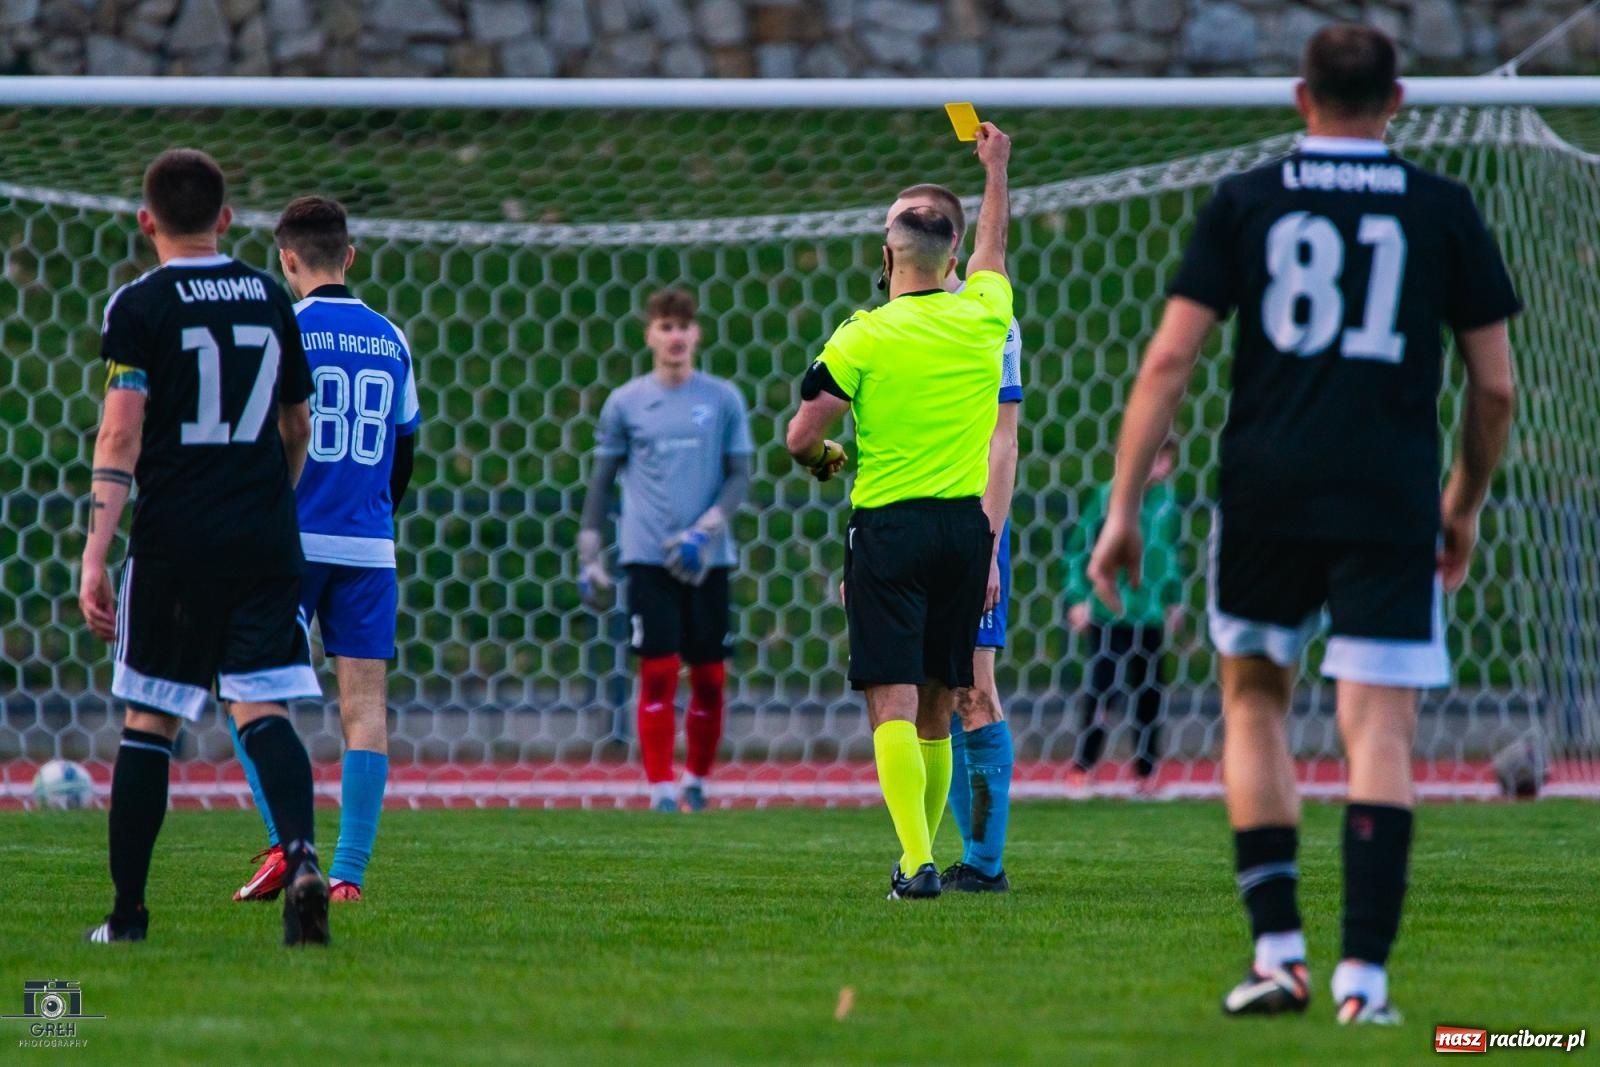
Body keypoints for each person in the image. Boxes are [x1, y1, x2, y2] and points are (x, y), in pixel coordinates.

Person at [1088, 24, 1518, 1023]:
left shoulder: (1248, 200)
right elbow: (1492, 386)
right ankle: (1362, 984)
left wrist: (1122, 508)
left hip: (1267, 492)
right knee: (1378, 726)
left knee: (1253, 701)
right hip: (1388, 495)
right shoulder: (1443, 208)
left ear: (1300, 98)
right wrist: (1462, 500)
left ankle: (1278, 955)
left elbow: (1166, 361)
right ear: (1397, 100)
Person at [78, 148, 330, 946]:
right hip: (261, 535)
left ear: (147, 220)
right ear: (225, 220)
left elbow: (122, 430)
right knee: (260, 704)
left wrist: (96, 550)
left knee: (150, 720)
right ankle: (300, 858)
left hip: (176, 541)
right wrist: (272, 500)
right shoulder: (267, 294)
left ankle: (128, 916)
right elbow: (297, 423)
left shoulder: (139, 304)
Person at [786, 122, 1013, 900]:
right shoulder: (985, 315)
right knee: (941, 702)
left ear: (887, 260)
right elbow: (994, 252)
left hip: (889, 528)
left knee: (891, 696)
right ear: (952, 264)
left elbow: (800, 434)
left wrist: (825, 460)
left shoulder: (862, 337)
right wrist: (995, 171)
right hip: (963, 530)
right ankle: (937, 851)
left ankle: (915, 862)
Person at [231, 197, 421, 905]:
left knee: (252, 690)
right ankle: (347, 874)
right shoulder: (391, 337)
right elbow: (405, 450)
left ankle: (289, 843)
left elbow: (264, 435)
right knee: (364, 707)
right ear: (350, 255)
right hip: (370, 546)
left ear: (285, 259)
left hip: (293, 542)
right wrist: (375, 517)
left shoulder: (283, 326)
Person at [881, 182, 1022, 893]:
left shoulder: (987, 317)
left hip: (971, 529)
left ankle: (984, 864)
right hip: (907, 533)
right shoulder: (888, 321)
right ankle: (927, 856)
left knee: (972, 689)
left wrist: (989, 543)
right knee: (927, 693)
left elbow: (1003, 443)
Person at [578, 289, 755, 813]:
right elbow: (601, 483)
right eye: (665, 326)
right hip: (646, 556)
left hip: (709, 558)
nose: (675, 336)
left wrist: (706, 530)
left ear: (697, 334)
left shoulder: (722, 399)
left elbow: (740, 474)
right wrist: (590, 555)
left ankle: (697, 780)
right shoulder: (626, 402)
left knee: (709, 675)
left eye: (683, 326)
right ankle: (658, 788)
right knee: (656, 669)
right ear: (649, 335)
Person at [1063, 437, 1183, 791]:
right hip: (1109, 611)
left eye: (1167, 461)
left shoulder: (1167, 501)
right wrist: (1078, 598)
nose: (1162, 468)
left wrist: (1174, 600)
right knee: (1102, 690)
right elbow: (1078, 550)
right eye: (1157, 459)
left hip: (1150, 615)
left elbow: (1170, 555)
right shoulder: (1107, 496)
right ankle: (1083, 767)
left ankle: (1145, 774)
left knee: (1150, 695)